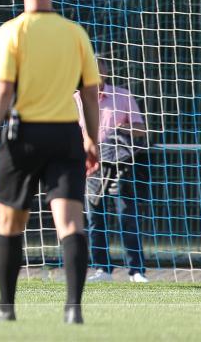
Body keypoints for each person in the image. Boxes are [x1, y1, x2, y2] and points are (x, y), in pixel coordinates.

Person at [0, 0, 101, 325]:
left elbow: (1, 89)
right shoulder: (75, 32)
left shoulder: (11, 32)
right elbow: (91, 94)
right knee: (70, 223)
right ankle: (73, 307)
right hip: (65, 134)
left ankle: (6, 306)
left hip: (24, 136)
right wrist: (91, 139)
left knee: (10, 223)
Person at [76, 57, 149, 283]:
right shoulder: (74, 100)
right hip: (90, 167)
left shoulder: (123, 95)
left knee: (127, 215)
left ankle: (136, 271)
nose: (96, 73)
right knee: (95, 218)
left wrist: (123, 129)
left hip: (119, 166)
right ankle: (103, 269)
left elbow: (142, 130)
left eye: (99, 69)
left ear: (106, 72)